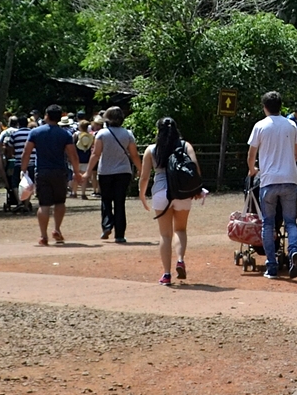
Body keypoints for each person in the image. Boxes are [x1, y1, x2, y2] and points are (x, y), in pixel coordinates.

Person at [247, 90, 297, 278]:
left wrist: (252, 169)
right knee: (290, 222)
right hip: (290, 179)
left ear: (265, 107)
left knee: (268, 224)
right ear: (281, 106)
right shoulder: (291, 125)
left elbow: (251, 155)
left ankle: (271, 267)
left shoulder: (260, 126)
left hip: (269, 181)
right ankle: (294, 251)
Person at [141, 116, 203, 285]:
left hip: (161, 193)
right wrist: (196, 189)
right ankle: (181, 259)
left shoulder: (152, 150)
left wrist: (142, 195)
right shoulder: (185, 146)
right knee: (181, 230)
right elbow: (195, 168)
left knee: (165, 234)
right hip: (182, 192)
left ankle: (166, 274)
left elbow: (144, 177)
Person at [21, 105, 79, 246]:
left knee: (44, 204)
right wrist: (78, 172)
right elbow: (73, 155)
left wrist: (23, 170)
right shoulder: (65, 135)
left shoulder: (35, 132)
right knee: (60, 202)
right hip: (60, 171)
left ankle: (43, 236)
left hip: (42, 171)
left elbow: (26, 152)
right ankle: (57, 229)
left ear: (46, 115)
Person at [88, 105, 141, 242]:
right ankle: (120, 234)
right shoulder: (128, 134)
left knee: (106, 200)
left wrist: (88, 172)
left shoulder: (102, 134)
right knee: (119, 202)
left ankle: (106, 225)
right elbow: (134, 155)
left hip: (105, 171)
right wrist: (141, 169)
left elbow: (96, 154)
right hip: (123, 171)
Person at [0, 114, 31, 214]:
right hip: (31, 161)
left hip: (17, 161)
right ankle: (26, 204)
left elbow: (5, 145)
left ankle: (19, 202)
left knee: (15, 182)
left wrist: (9, 154)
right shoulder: (32, 133)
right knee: (29, 183)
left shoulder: (11, 133)